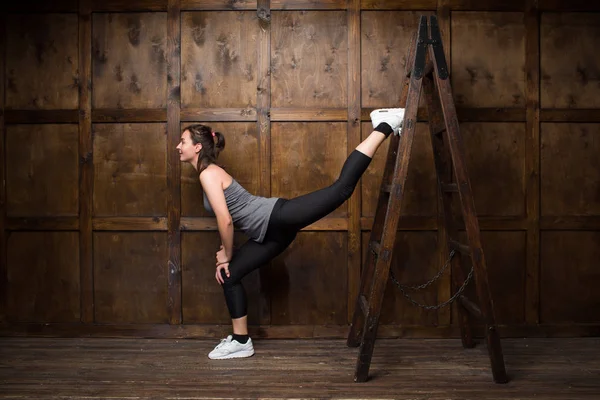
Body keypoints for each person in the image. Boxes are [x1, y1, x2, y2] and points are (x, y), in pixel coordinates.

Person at [176, 108, 405, 360]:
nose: (178, 146)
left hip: (276, 217)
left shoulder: (208, 174)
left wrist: (226, 254)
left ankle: (385, 125)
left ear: (197, 147)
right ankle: (241, 341)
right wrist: (225, 253)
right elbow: (227, 216)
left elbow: (226, 220)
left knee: (341, 189)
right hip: (271, 233)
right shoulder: (207, 173)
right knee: (231, 277)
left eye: (183, 141)